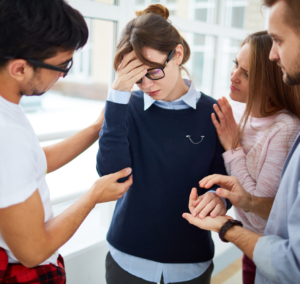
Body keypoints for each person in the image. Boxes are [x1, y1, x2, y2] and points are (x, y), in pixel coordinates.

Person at [97, 4, 231, 284]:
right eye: (137, 77)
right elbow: (111, 173)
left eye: (154, 72)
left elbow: (226, 179)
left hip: (190, 262)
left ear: (177, 54)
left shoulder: (213, 111)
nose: (146, 84)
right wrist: (117, 95)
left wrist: (219, 198)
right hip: (127, 259)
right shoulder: (127, 107)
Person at [0, 0, 132, 283]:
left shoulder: (7, 109)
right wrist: (94, 195)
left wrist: (97, 127)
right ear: (19, 69)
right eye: (63, 65)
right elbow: (33, 251)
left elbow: (34, 163)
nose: (63, 74)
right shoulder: (6, 134)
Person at [183, 0, 300, 283]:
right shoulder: (235, 113)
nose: (233, 76)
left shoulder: (285, 129)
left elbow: (262, 217)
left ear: (267, 80)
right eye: (236, 64)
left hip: (264, 246)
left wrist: (233, 149)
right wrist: (217, 197)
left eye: (245, 73)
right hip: (252, 248)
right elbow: (230, 182)